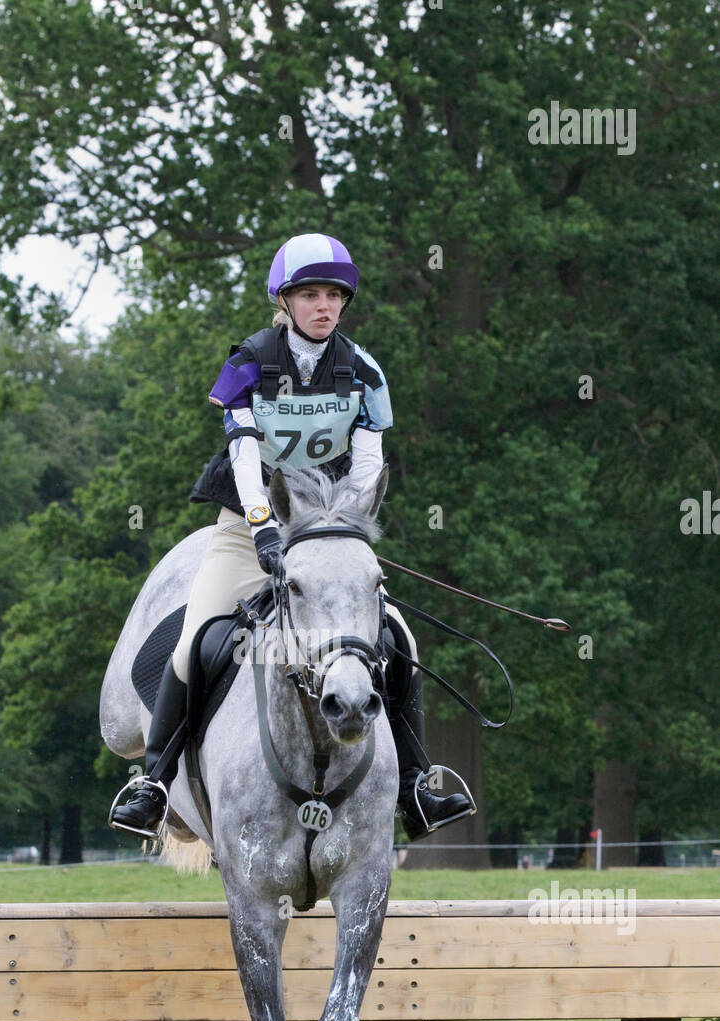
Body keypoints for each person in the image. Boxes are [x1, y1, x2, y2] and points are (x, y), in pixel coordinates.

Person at [109, 232, 471, 840]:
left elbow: (367, 464)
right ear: (285, 300)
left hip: (326, 530)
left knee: (400, 640)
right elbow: (246, 454)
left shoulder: (363, 370)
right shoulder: (248, 363)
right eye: (310, 294)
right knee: (194, 641)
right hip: (244, 526)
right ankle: (153, 783)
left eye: (334, 295)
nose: (324, 305)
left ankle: (415, 784)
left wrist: (347, 528)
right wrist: (261, 526)